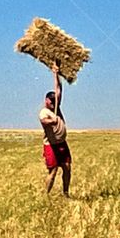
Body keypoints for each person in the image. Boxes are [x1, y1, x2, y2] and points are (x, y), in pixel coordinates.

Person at [39, 65, 71, 197]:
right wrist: (51, 121)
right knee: (53, 171)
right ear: (46, 101)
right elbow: (43, 121)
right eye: (51, 101)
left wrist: (56, 74)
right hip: (51, 145)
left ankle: (66, 193)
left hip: (62, 143)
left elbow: (59, 89)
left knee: (67, 168)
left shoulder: (56, 106)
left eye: (54, 101)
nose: (53, 103)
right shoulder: (44, 112)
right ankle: (45, 195)